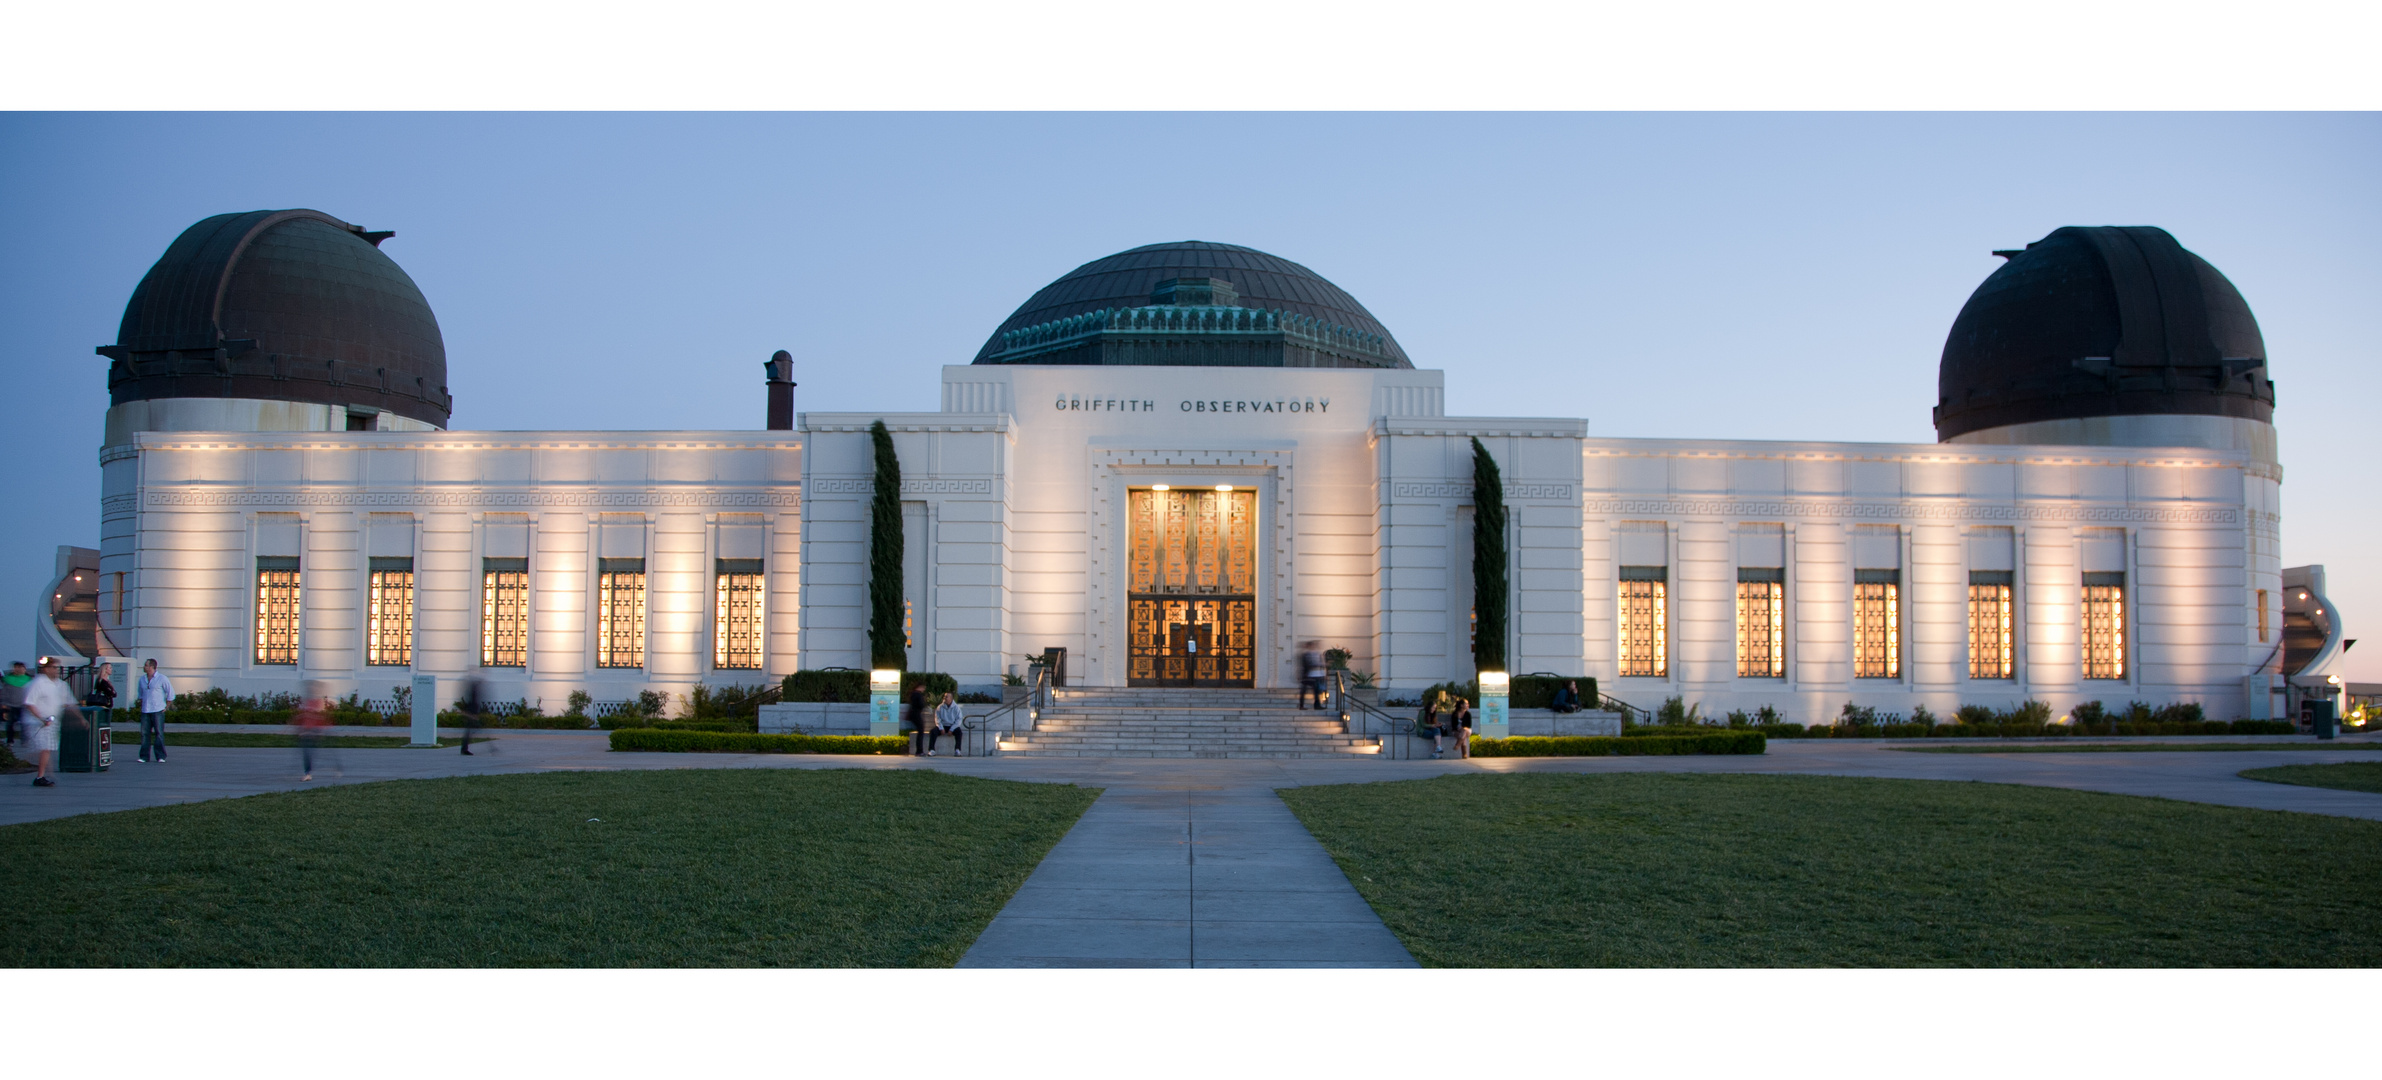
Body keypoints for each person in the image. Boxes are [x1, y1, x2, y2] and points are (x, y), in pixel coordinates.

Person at [20, 660, 69, 786]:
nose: (56, 670)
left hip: (50, 722)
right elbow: (29, 703)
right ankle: (40, 776)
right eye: (53, 667)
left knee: (47, 749)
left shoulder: (56, 684)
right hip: (38, 723)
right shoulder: (38, 683)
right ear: (45, 669)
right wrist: (42, 718)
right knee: (44, 749)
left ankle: (43, 774)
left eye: (58, 668)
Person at [135, 658, 173, 763]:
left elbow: (170, 693)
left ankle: (160, 755)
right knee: (144, 733)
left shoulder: (162, 678)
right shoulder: (142, 679)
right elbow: (140, 694)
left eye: (146, 665)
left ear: (152, 667)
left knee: (159, 733)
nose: (144, 667)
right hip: (145, 710)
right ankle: (144, 756)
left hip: (157, 709)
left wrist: (166, 706)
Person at [295, 680, 331, 781]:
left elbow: (319, 717)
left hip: (314, 731)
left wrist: (320, 730)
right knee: (306, 752)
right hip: (305, 730)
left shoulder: (318, 702)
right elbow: (303, 716)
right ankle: (307, 772)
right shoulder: (306, 701)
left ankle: (308, 772)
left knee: (309, 752)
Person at [1, 661, 28, 749]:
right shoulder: (8, 679)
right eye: (16, 667)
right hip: (10, 705)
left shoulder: (28, 680)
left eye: (21, 668)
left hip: (23, 706)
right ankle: (10, 741)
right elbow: (4, 693)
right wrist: (4, 705)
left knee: (25, 724)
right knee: (10, 724)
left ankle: (25, 740)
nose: (19, 670)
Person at [931, 691, 964, 757]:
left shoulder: (956, 708)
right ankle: (932, 750)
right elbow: (937, 718)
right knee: (933, 732)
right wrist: (941, 728)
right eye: (944, 696)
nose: (944, 698)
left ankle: (957, 750)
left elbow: (959, 720)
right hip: (942, 726)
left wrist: (952, 729)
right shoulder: (940, 707)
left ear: (951, 698)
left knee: (959, 732)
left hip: (952, 726)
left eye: (946, 697)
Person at [458, 675, 484, 755]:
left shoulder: (474, 692)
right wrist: (472, 714)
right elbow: (472, 703)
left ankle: (464, 748)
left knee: (470, 730)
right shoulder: (473, 693)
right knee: (470, 730)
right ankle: (464, 748)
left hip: (472, 712)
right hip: (471, 712)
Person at [1299, 641, 1327, 710]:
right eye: (1312, 645)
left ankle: (1317, 705)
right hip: (1307, 675)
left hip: (1314, 675)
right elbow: (1304, 665)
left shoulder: (1318, 654)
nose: (1313, 647)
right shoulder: (1305, 655)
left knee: (1316, 691)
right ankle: (1301, 705)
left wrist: (1323, 674)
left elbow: (1321, 664)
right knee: (1304, 690)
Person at [905, 682, 929, 756]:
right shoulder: (918, 694)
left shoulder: (913, 694)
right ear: (919, 687)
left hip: (914, 715)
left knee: (920, 731)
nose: (924, 689)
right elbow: (921, 705)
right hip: (916, 715)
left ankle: (919, 750)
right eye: (923, 687)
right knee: (921, 731)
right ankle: (919, 750)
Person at [1426, 691, 1450, 759]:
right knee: (1436, 732)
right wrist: (1432, 726)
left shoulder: (1433, 714)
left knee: (1437, 732)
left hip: (1431, 730)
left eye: (1435, 708)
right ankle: (1437, 748)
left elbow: (1433, 723)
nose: (1434, 709)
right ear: (1429, 707)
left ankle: (1435, 752)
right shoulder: (1423, 713)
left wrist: (1436, 724)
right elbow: (1422, 724)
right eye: (1433, 708)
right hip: (1423, 731)